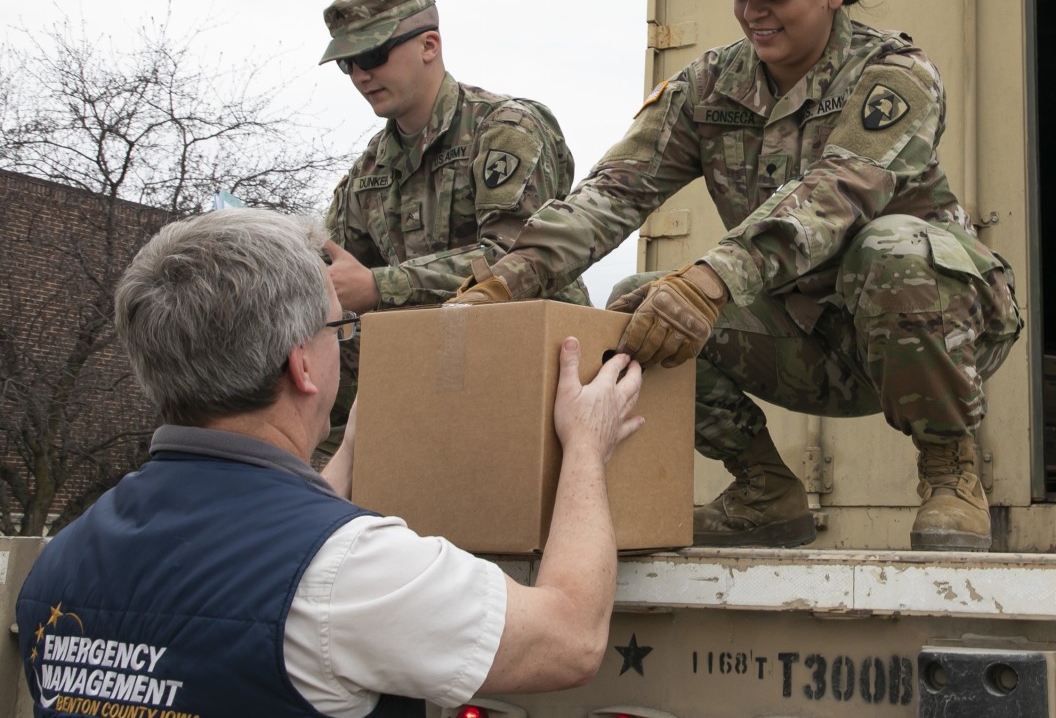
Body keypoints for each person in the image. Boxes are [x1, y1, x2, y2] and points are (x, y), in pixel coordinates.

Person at [450, 0, 1023, 553]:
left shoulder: (895, 75)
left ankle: (952, 471)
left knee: (892, 249)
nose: (754, 13)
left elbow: (833, 194)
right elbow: (612, 193)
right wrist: (504, 283)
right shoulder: (708, 88)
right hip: (809, 341)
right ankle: (764, 489)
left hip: (935, 330)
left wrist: (709, 281)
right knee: (638, 308)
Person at [16, 208, 644, 717]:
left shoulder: (61, 561)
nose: (343, 348)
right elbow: (568, 641)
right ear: (300, 365)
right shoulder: (350, 572)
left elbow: (245, 550)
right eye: (339, 330)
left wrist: (346, 451)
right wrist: (586, 446)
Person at [318, 0, 590, 437]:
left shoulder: (505, 129)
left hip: (533, 362)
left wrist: (381, 287)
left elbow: (517, 260)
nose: (362, 74)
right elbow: (337, 273)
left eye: (374, 54)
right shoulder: (369, 172)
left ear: (429, 45)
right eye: (349, 63)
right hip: (435, 366)